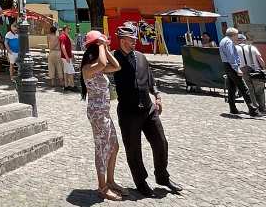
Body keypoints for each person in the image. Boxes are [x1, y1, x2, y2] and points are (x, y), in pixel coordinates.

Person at [113, 22, 182, 197]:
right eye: (130, 39)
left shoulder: (141, 56)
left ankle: (162, 176)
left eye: (134, 38)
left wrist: (157, 95)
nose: (134, 41)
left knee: (161, 142)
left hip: (148, 109)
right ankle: (141, 182)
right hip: (129, 112)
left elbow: (151, 79)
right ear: (122, 40)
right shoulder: (114, 59)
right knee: (133, 149)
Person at [80, 30, 125, 201]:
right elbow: (102, 62)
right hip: (98, 114)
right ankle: (102, 187)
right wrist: (101, 45)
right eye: (99, 47)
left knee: (114, 146)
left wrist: (105, 48)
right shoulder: (88, 69)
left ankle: (111, 181)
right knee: (102, 149)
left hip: (104, 113)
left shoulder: (99, 68)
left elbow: (116, 66)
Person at [219, 28, 262, 117]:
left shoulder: (223, 41)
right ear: (233, 35)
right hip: (232, 66)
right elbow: (231, 56)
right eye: (237, 35)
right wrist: (237, 68)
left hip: (226, 66)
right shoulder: (229, 42)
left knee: (231, 88)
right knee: (244, 88)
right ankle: (253, 111)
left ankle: (233, 108)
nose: (237, 37)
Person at [236, 34, 266, 116]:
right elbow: (260, 58)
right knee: (259, 90)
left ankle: (254, 108)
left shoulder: (235, 49)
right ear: (244, 40)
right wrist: (264, 68)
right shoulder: (252, 47)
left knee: (249, 90)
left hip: (242, 71)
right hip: (255, 70)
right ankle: (262, 109)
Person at [59, 25, 75, 90]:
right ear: (65, 29)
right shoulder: (63, 36)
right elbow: (63, 47)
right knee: (71, 71)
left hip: (66, 56)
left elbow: (71, 44)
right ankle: (72, 85)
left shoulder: (66, 36)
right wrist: (67, 57)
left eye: (70, 29)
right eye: (68, 29)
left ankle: (66, 85)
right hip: (66, 57)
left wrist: (70, 54)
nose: (69, 30)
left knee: (66, 71)